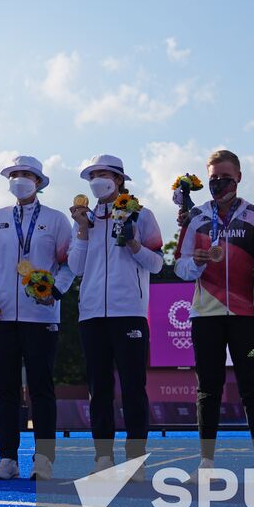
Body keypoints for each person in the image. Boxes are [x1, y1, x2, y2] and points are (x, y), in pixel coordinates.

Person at [175, 150, 254, 483]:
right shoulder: (197, 218)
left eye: (226, 178)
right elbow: (180, 267)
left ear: (239, 178)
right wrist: (199, 262)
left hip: (246, 313)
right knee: (208, 389)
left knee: (252, 388)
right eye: (214, 178)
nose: (219, 183)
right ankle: (206, 463)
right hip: (206, 313)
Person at [0, 155, 74, 481]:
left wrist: (55, 292)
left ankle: (43, 459)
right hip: (2, 316)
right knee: (5, 391)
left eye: (26, 175)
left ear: (38, 182)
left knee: (41, 389)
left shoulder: (58, 220)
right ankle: (8, 459)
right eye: (14, 174)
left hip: (42, 314)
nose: (19, 179)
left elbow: (68, 264)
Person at [67, 154, 164, 477]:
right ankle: (103, 457)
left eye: (103, 174)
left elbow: (157, 264)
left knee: (134, 388)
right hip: (92, 314)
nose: (97, 180)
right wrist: (82, 230)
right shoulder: (85, 219)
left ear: (119, 179)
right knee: (99, 388)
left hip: (129, 313)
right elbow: (76, 268)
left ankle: (135, 457)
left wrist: (134, 243)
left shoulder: (142, 214)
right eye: (92, 175)